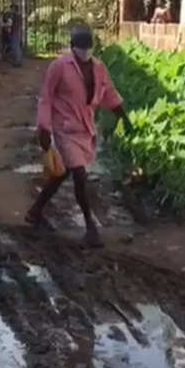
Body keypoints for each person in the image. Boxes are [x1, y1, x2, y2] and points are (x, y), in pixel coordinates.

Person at [25, 25, 133, 248]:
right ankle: (90, 226)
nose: (85, 51)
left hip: (85, 128)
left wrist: (123, 116)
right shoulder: (60, 67)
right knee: (79, 174)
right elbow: (46, 97)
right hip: (64, 128)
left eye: (88, 47)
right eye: (81, 47)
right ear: (73, 47)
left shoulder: (98, 67)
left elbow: (109, 92)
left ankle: (35, 212)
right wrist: (43, 128)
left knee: (61, 174)